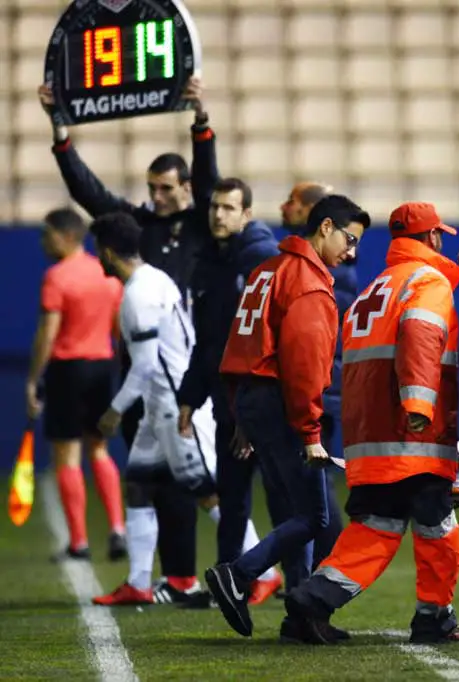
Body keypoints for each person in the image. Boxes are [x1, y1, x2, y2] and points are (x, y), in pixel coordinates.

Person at [40, 77, 218, 603]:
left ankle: (201, 574)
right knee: (150, 478)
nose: (157, 196)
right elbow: (89, 194)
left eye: (167, 188)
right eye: (153, 188)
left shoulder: (205, 224)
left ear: (185, 189)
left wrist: (201, 123)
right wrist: (61, 133)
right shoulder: (137, 227)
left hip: (185, 372)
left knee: (191, 481)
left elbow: (209, 180)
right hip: (140, 368)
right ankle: (160, 579)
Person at [284, 202, 459, 646]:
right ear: (433, 239)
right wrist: (420, 405)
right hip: (413, 434)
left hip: (369, 436)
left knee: (375, 529)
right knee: (437, 527)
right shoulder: (428, 282)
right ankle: (434, 619)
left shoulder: (374, 288)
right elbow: (422, 338)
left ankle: (312, 599)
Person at [208, 194, 368, 640]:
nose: (352, 252)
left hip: (254, 400)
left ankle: (300, 617)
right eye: (349, 239)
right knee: (316, 517)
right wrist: (311, 432)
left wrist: (242, 413)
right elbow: (305, 369)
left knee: (297, 513)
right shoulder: (310, 284)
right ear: (325, 227)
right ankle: (238, 575)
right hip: (283, 405)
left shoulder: (265, 271)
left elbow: (237, 347)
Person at [87, 212, 238, 606]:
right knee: (138, 483)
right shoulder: (155, 278)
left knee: (206, 492)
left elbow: (146, 365)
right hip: (161, 406)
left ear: (106, 252)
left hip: (173, 407)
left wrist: (114, 411)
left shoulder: (137, 294)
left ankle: (262, 572)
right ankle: (138, 582)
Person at [177, 178, 286, 605]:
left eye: (228, 208)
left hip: (266, 408)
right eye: (215, 207)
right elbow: (209, 344)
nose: (218, 214)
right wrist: (190, 396)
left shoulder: (262, 261)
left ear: (246, 215)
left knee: (287, 506)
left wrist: (250, 412)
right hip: (228, 406)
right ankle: (229, 587)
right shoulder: (209, 265)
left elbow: (264, 345)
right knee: (233, 502)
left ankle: (300, 586)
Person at [26, 208, 125, 561]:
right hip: (101, 367)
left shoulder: (57, 277)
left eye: (47, 234)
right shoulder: (107, 273)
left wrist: (34, 379)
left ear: (67, 236)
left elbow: (48, 333)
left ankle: (79, 541)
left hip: (67, 370)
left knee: (67, 455)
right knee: (99, 449)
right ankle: (117, 528)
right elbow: (118, 329)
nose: (43, 241)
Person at [279, 182, 360, 452]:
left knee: (310, 478)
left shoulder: (326, 271)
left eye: (292, 202)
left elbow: (310, 340)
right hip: (318, 388)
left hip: (313, 390)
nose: (284, 208)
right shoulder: (320, 266)